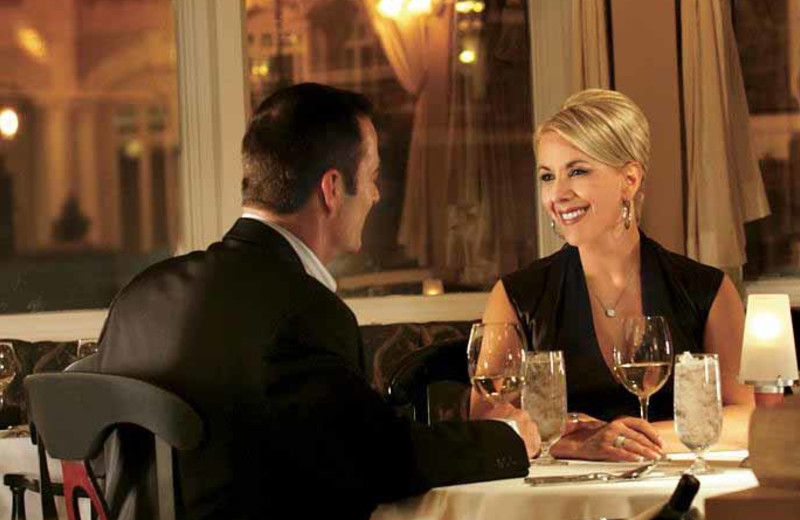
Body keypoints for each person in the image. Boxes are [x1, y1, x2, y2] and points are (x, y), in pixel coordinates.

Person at [93, 83, 538, 520]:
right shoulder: (302, 308)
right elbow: (380, 462)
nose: (375, 195)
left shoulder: (139, 295)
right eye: (372, 178)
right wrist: (507, 437)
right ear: (331, 188)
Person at [471, 89, 753, 462]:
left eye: (577, 171)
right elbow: (487, 417)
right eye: (546, 176)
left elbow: (747, 417)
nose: (557, 194)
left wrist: (624, 439)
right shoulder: (517, 295)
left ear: (630, 180)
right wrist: (573, 443)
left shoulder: (706, 290)